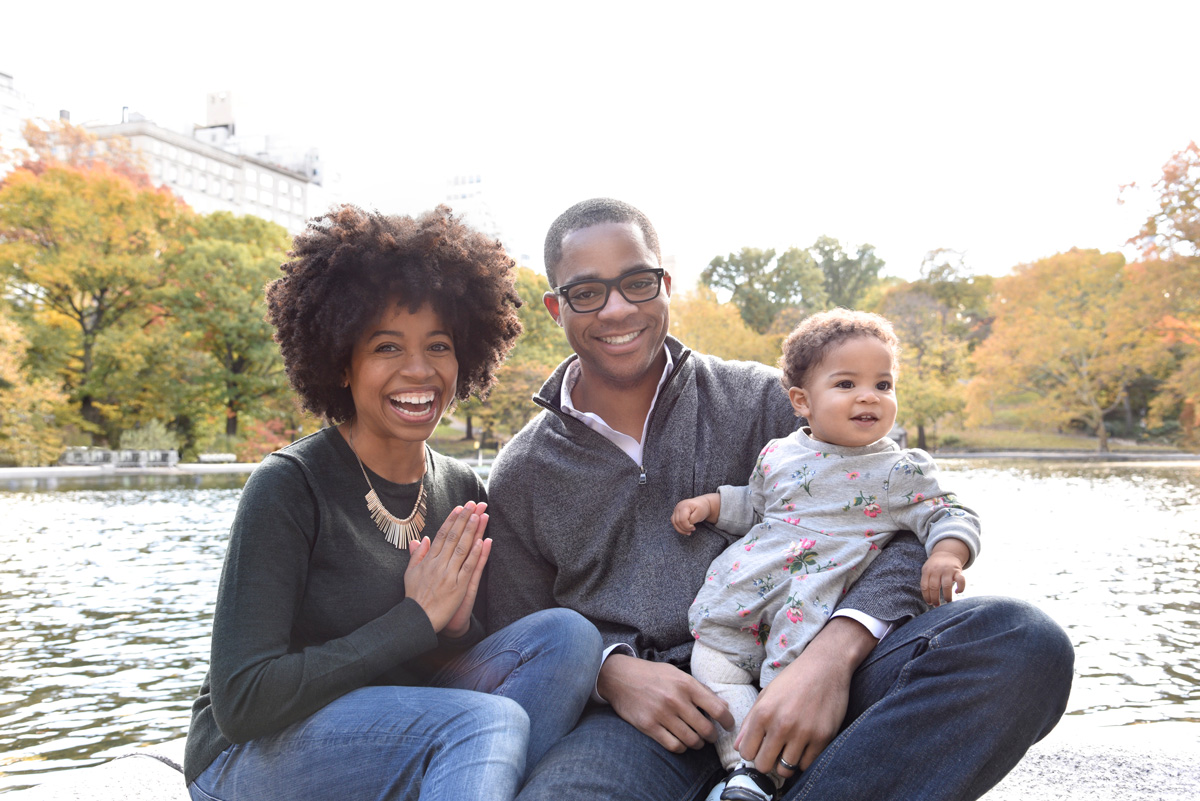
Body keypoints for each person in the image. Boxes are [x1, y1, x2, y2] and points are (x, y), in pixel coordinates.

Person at [484, 197, 1074, 801]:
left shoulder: (768, 400)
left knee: (1021, 642)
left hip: (816, 662)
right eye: (587, 293)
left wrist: (832, 660)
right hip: (651, 719)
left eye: (638, 283)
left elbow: (904, 528)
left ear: (665, 284)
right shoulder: (523, 473)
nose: (617, 309)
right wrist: (610, 675)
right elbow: (518, 626)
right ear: (556, 307)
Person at [183, 205, 601, 801]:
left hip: (390, 734)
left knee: (568, 637)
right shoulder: (289, 486)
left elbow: (425, 667)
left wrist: (455, 627)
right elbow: (244, 701)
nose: (419, 370)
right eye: (386, 347)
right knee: (486, 722)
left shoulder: (462, 490)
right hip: (247, 759)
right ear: (341, 364)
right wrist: (416, 619)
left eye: (439, 345)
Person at [674, 308, 981, 801]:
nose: (868, 396)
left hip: (813, 607)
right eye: (846, 384)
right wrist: (710, 505)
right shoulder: (778, 453)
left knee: (790, 689)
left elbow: (947, 512)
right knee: (712, 665)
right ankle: (741, 763)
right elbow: (755, 506)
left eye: (883, 384)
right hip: (745, 597)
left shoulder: (898, 470)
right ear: (802, 401)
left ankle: (758, 778)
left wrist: (947, 553)